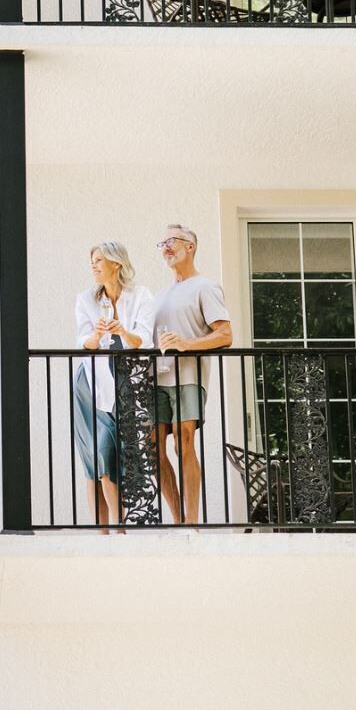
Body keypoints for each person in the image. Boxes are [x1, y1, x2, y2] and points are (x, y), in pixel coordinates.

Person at [153, 223, 232, 525]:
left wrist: (186, 344)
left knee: (182, 441)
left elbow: (225, 334)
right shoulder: (160, 295)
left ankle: (192, 522)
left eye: (172, 241)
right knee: (153, 447)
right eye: (162, 243)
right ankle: (177, 520)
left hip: (188, 377)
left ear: (190, 246)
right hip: (157, 378)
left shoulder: (205, 286)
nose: (166, 247)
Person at [73, 242, 155, 529]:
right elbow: (82, 341)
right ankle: (106, 534)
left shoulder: (140, 295)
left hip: (126, 381)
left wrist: (123, 332)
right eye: (92, 261)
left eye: (98, 260)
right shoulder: (86, 299)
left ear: (116, 263)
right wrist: (96, 337)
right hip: (91, 382)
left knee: (114, 455)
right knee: (95, 458)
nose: (93, 266)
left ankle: (119, 531)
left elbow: (144, 339)